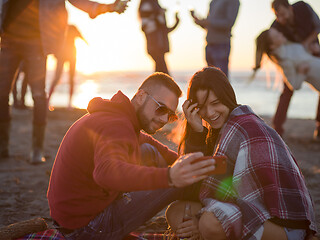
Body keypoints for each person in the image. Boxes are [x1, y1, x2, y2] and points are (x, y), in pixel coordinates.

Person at [47, 72, 217, 239]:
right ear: (141, 96)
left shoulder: (120, 117)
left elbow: (153, 146)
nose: (165, 119)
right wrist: (171, 176)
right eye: (161, 108)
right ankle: (209, 218)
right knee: (179, 180)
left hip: (72, 215)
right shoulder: (116, 126)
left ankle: (201, 206)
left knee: (151, 153)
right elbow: (106, 172)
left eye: (171, 115)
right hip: (85, 228)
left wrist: (184, 159)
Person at [165, 67, 317, 240]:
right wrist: (197, 133)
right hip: (251, 213)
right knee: (176, 211)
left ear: (227, 98)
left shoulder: (242, 126)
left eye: (215, 104)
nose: (209, 113)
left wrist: (199, 221)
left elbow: (213, 194)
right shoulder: (220, 131)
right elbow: (194, 189)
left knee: (209, 222)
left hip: (283, 225)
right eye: (201, 107)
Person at [0, 0, 128, 163]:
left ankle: (37, 149)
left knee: (39, 95)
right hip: (8, 39)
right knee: (2, 93)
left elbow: (79, 1)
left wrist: (108, 7)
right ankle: (2, 147)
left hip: (36, 42)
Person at [270, 0, 320, 139]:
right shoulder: (276, 26)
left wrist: (307, 44)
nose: (281, 19)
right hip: (294, 59)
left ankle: (319, 127)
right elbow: (270, 47)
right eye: (277, 16)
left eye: (283, 14)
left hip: (312, 48)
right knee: (288, 89)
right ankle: (277, 128)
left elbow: (317, 27)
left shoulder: (303, 7)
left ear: (290, 9)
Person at [253, 28, 320, 93]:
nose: (281, 34)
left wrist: (312, 50)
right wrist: (301, 72)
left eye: (278, 32)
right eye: (277, 36)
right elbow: (295, 86)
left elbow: (305, 56)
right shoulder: (284, 61)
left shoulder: (289, 45)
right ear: (272, 46)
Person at [190, 0, 240, 77]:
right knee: (211, 80)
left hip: (221, 44)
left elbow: (229, 23)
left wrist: (208, 22)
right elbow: (209, 24)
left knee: (221, 80)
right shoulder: (213, 2)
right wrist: (200, 22)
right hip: (209, 44)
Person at [48, 24, 88, 109]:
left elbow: (82, 38)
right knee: (59, 78)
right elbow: (54, 42)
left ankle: (69, 103)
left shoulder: (68, 28)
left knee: (69, 79)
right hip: (63, 55)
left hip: (70, 55)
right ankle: (49, 101)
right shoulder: (62, 28)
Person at [139, 0, 180, 75]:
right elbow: (146, 26)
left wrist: (176, 23)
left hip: (159, 45)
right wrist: (159, 14)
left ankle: (161, 85)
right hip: (155, 45)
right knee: (162, 72)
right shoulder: (147, 5)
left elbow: (164, 30)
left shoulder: (153, 5)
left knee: (160, 71)